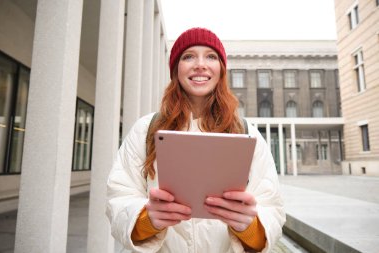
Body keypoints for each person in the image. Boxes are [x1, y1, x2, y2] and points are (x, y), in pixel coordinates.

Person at [106, 27, 285, 253]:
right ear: (175, 70)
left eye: (210, 56)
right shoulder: (145, 130)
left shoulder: (247, 133)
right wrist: (146, 220)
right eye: (188, 56)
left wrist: (250, 228)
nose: (200, 64)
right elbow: (119, 196)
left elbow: (272, 208)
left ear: (221, 70)